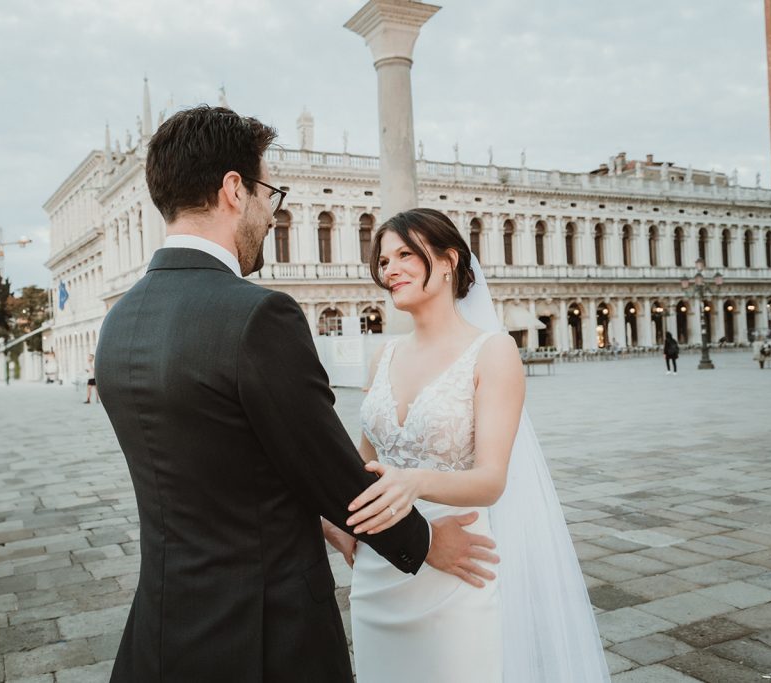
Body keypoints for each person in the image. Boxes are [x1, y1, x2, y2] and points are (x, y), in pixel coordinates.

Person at [94, 106, 496, 683]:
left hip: (163, 626)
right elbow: (326, 463)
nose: (268, 211)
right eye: (266, 193)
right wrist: (424, 541)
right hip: (265, 630)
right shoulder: (257, 314)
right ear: (234, 189)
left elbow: (226, 456)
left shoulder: (121, 321)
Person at [343, 208, 610, 682]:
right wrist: (339, 526)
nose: (390, 270)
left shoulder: (493, 351)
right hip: (378, 570)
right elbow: (363, 466)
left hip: (457, 565)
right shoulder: (382, 356)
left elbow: (491, 480)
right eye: (384, 260)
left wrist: (413, 482)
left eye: (405, 254)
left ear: (447, 261)